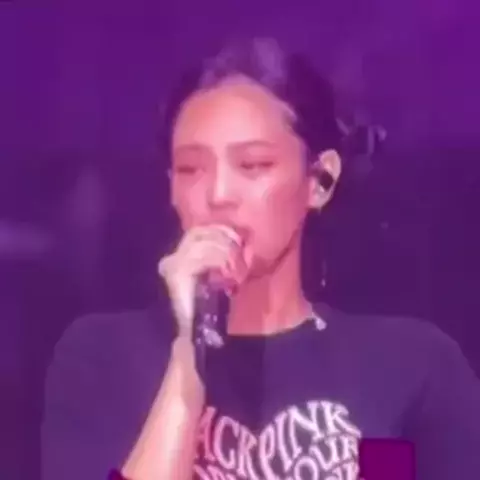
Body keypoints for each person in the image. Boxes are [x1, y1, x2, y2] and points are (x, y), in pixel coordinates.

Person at [41, 38, 480, 480]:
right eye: (191, 169)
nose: (218, 195)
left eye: (252, 166)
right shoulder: (103, 357)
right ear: (171, 187)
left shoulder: (405, 366)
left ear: (320, 180)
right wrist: (187, 360)